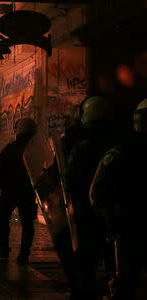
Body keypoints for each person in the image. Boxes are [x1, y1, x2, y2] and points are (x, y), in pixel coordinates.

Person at [90, 98, 147, 300]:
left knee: (123, 285)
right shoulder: (121, 150)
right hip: (127, 229)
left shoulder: (121, 151)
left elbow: (97, 192)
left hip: (127, 230)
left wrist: (111, 222)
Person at [67, 96, 120, 299]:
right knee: (114, 264)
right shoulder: (118, 140)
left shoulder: (80, 145)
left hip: (86, 214)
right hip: (113, 214)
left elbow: (70, 178)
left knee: (85, 266)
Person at [0, 118, 38, 265]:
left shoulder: (12, 147)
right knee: (27, 224)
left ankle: (3, 248)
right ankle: (24, 254)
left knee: (3, 218)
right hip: (27, 191)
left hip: (9, 190)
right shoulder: (36, 149)